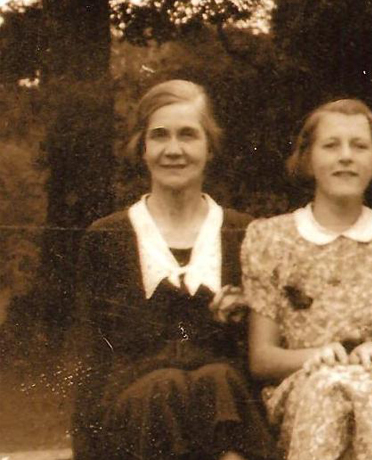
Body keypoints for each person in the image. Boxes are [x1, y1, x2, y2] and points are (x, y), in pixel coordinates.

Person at [71, 79, 277, 460]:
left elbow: (264, 356)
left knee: (217, 379)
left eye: (188, 135)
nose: (174, 150)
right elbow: (92, 366)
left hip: (229, 419)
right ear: (143, 147)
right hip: (136, 425)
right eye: (160, 136)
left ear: (209, 147)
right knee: (163, 388)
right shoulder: (107, 238)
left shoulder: (247, 234)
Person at [242, 99, 372, 460]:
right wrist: (316, 358)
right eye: (331, 145)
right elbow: (261, 357)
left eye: (359, 146)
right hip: (302, 389)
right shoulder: (270, 239)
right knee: (327, 388)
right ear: (307, 159)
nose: (346, 156)